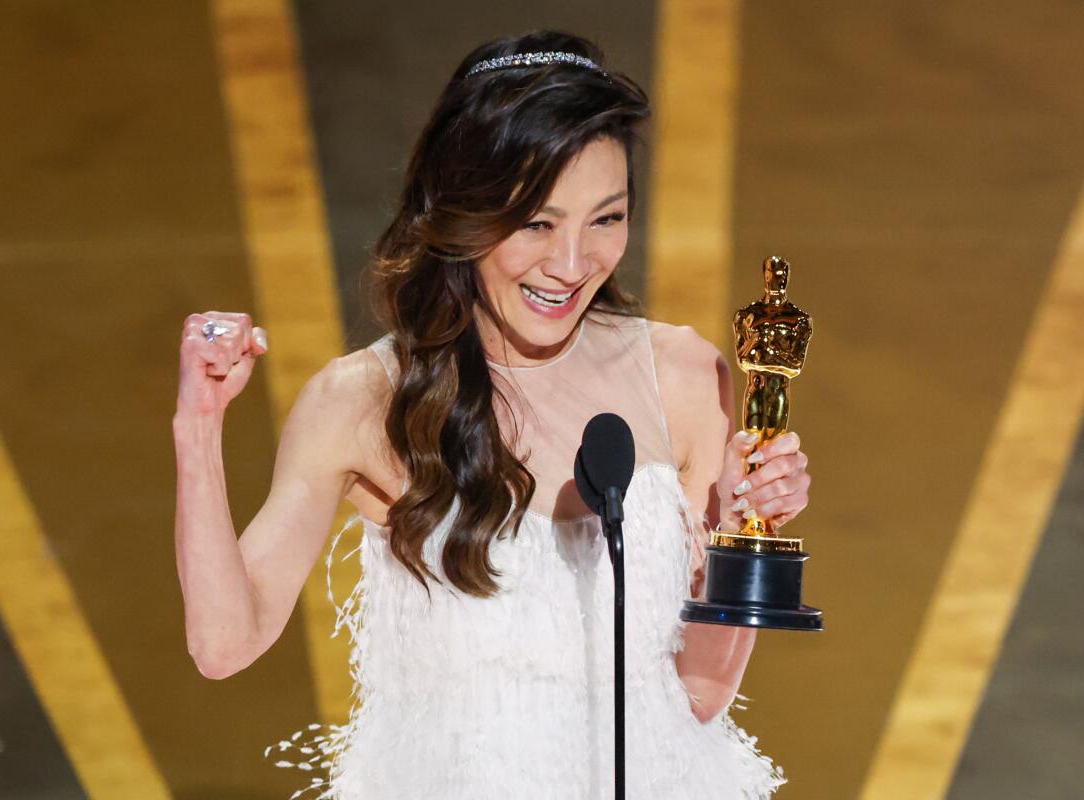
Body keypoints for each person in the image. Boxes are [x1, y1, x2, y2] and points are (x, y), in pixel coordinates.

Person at [173, 29, 810, 800]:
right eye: (536, 224)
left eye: (605, 219)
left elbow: (700, 694)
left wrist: (750, 527)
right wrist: (198, 430)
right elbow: (223, 642)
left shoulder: (682, 378)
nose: (571, 265)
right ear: (461, 212)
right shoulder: (361, 402)